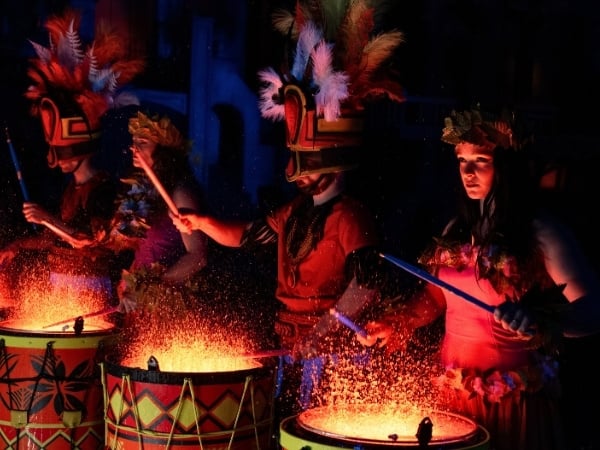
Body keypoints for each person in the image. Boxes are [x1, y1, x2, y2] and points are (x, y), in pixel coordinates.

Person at [171, 0, 406, 425]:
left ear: (332, 162)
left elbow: (367, 285)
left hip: (333, 357)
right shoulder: (294, 211)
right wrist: (201, 222)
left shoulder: (351, 217)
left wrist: (322, 332)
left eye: (305, 161)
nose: (292, 172)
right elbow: (247, 236)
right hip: (291, 346)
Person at [357, 106, 600, 450]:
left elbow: (593, 310)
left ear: (506, 164)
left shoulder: (540, 231)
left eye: (481, 161)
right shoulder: (455, 229)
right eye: (462, 161)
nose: (468, 172)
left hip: (509, 402)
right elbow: (436, 298)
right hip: (455, 398)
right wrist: (401, 321)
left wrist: (539, 322)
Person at [0, 9, 143, 304]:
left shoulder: (103, 189)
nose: (60, 160)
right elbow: (57, 239)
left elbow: (88, 240)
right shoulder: (71, 189)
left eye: (66, 152)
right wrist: (20, 245)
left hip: (87, 289)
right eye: (58, 152)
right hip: (60, 286)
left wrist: (45, 217)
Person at [115, 110, 209, 313]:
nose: (134, 148)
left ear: (163, 150)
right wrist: (128, 286)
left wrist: (151, 289)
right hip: (141, 305)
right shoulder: (143, 192)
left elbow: (198, 256)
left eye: (143, 142)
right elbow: (144, 252)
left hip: (169, 306)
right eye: (134, 141)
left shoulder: (180, 192)